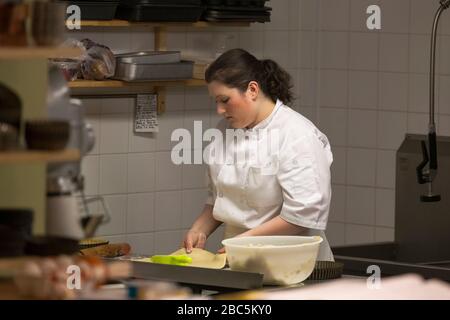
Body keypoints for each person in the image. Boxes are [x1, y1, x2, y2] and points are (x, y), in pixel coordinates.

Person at [182, 48, 334, 261]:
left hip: (293, 260)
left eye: (224, 100)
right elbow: (219, 196)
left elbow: (302, 216)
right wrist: (200, 229)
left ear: (252, 90)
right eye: (215, 101)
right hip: (237, 255)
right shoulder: (224, 130)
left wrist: (243, 242)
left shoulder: (297, 134)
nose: (219, 110)